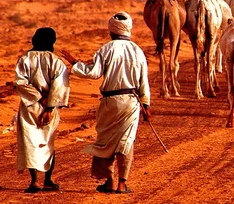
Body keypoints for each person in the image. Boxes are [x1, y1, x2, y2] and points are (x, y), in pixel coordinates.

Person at [61, 12, 150, 194]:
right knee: (126, 141)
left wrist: (75, 63)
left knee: (105, 140)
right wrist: (146, 105)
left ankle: (109, 181)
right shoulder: (138, 51)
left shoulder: (106, 49)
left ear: (111, 31)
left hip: (110, 101)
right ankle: (122, 184)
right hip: (131, 102)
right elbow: (144, 81)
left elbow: (93, 73)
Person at [15, 27, 70, 193]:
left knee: (29, 142)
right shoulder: (57, 61)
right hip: (50, 108)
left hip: (29, 106)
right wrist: (50, 106)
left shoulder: (25, 59)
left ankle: (35, 181)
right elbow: (60, 85)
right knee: (47, 143)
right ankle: (48, 180)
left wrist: (38, 99)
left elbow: (21, 83)